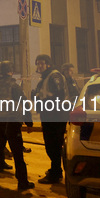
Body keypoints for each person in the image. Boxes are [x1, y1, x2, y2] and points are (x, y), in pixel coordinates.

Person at [0, 61, 34, 190]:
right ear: (10, 72)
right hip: (11, 122)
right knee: (18, 154)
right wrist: (28, 122)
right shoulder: (14, 86)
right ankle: (22, 182)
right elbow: (24, 104)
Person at [34, 54, 67, 184]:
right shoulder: (47, 77)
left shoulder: (54, 76)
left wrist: (45, 102)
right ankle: (55, 169)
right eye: (38, 63)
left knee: (53, 145)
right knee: (51, 145)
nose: (39, 66)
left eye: (42, 63)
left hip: (55, 115)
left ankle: (56, 173)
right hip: (50, 114)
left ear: (48, 64)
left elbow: (59, 95)